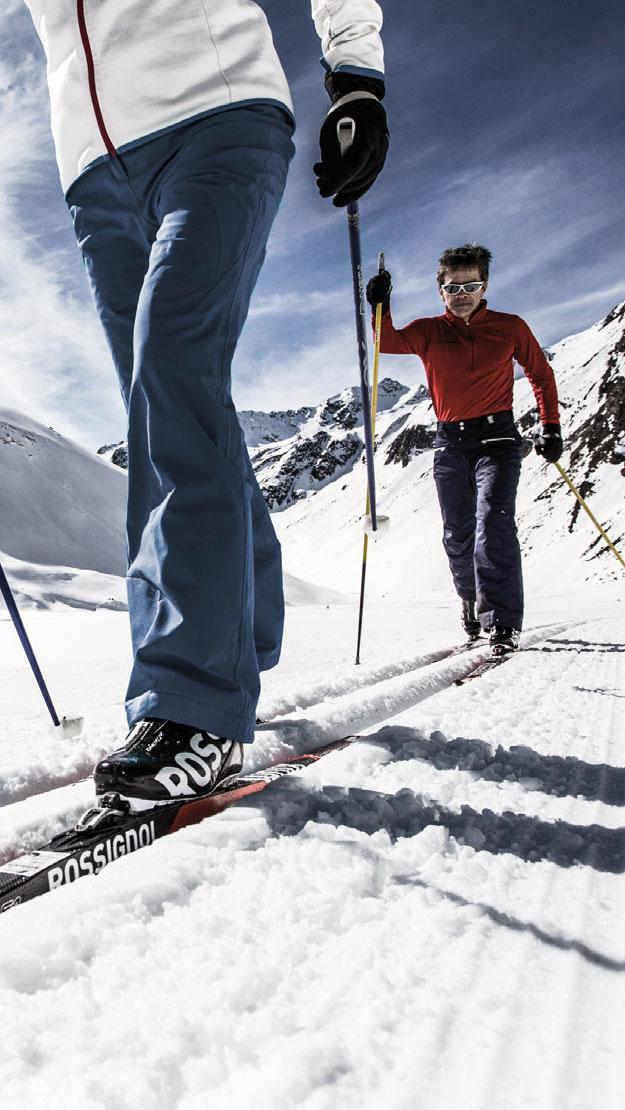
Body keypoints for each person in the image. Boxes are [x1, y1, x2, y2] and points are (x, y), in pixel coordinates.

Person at [24, 0, 388, 805]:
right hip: (91, 170)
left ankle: (193, 706)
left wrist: (355, 71)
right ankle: (242, 636)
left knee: (173, 371)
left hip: (216, 111)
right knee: (169, 400)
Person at [366, 243, 562, 655]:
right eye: (453, 288)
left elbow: (541, 375)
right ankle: (470, 602)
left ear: (484, 285)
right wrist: (380, 305)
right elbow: (386, 342)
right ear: (441, 290)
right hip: (449, 442)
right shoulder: (429, 332)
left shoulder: (510, 328)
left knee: (493, 522)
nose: (462, 295)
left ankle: (503, 623)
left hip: (499, 440)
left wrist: (551, 427)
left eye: (470, 286)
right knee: (458, 533)